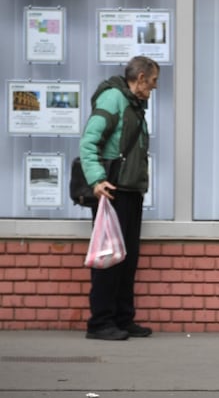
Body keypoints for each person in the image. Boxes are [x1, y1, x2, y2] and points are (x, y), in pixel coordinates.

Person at [79, 56, 159, 341]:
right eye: (152, 81)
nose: (154, 87)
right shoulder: (113, 98)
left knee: (127, 258)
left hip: (131, 191)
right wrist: (97, 180)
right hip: (113, 191)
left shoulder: (134, 104)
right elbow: (89, 141)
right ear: (140, 77)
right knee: (109, 258)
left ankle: (123, 319)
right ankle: (100, 322)